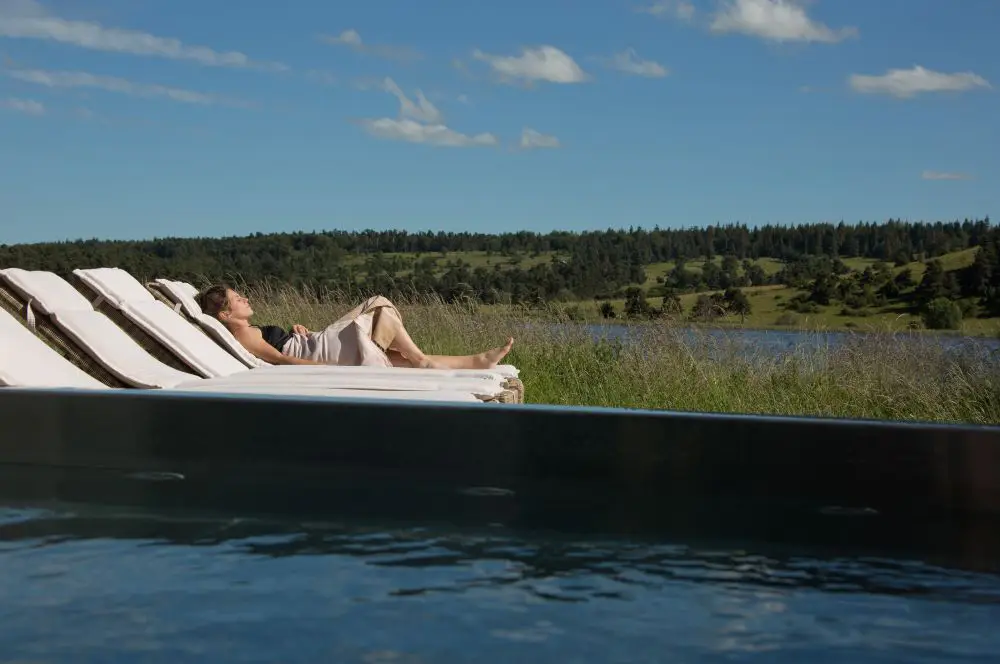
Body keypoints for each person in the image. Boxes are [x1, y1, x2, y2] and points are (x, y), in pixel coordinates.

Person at [196, 284, 514, 370]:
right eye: (237, 299)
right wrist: (322, 368)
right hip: (317, 354)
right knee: (379, 305)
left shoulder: (248, 330)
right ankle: (423, 360)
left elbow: (278, 348)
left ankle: (476, 362)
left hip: (311, 343)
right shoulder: (242, 334)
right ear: (225, 314)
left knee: (395, 356)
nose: (245, 299)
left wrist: (294, 333)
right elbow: (280, 359)